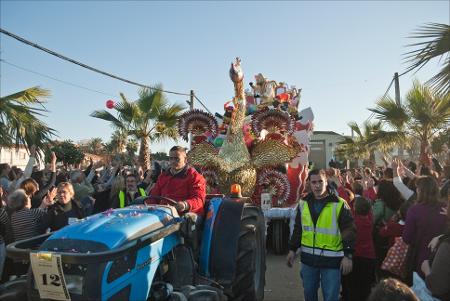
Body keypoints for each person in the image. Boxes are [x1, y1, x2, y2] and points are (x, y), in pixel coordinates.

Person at [286, 169, 356, 301]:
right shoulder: (303, 203)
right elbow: (298, 228)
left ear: (326, 182)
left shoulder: (339, 204)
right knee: (309, 295)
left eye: (320, 181)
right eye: (314, 182)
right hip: (309, 261)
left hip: (331, 262)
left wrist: (348, 255)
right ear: (309, 184)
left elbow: (349, 231)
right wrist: (292, 249)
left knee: (330, 297)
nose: (317, 185)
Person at [402, 176, 447, 279]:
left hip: (421, 257)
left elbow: (407, 238)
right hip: (443, 257)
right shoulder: (445, 208)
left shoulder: (414, 210)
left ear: (420, 191)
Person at [148, 146, 206, 216]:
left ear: (185, 159)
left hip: (184, 216)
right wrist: (149, 206)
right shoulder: (163, 176)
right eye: (171, 158)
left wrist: (185, 204)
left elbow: (199, 200)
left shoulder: (195, 177)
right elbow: (153, 196)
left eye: (176, 159)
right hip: (163, 214)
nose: (173, 161)